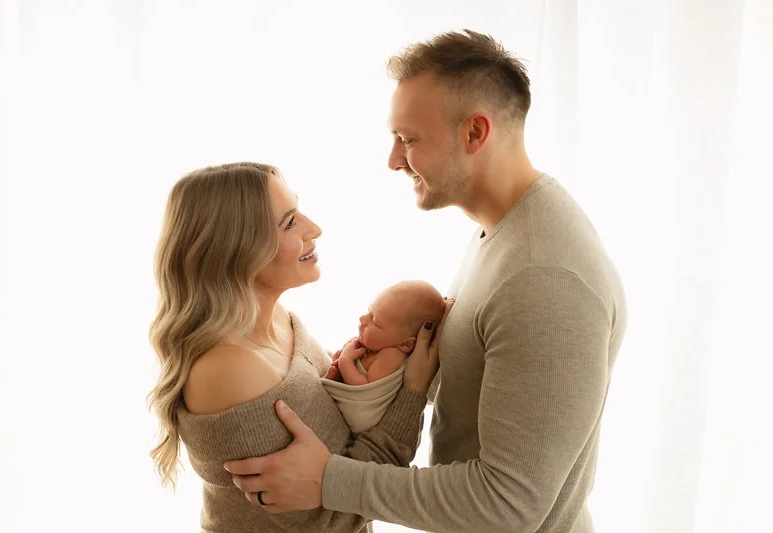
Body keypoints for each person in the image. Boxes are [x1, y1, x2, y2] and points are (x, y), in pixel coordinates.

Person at [224, 29, 627, 533]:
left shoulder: (544, 277)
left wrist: (329, 479)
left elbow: (507, 506)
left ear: (475, 133)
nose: (394, 159)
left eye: (409, 139)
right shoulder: (503, 232)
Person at [146, 162, 452, 532]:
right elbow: (332, 520)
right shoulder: (231, 370)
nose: (314, 228)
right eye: (290, 222)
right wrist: (412, 393)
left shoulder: (278, 321)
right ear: (237, 249)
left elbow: (337, 437)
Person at [322, 281, 446, 432]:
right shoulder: (377, 344)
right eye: (369, 311)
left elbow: (365, 387)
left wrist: (345, 361)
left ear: (407, 344)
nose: (362, 319)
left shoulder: (392, 355)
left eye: (375, 322)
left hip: (364, 418)